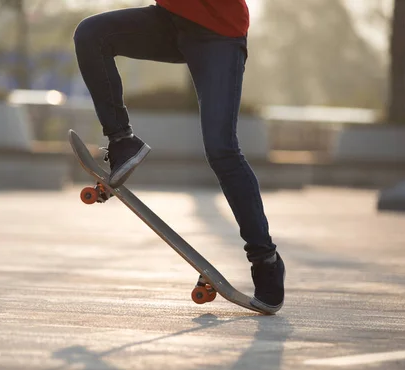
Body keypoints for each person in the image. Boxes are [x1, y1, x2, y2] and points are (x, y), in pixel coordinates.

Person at [73, 0, 285, 314]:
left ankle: (265, 259)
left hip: (219, 33)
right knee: (91, 33)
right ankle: (122, 141)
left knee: (222, 150)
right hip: (170, 21)